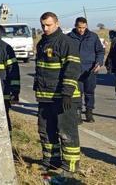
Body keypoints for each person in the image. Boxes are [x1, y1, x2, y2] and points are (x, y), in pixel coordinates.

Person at [34, 12, 82, 173]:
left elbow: (72, 68)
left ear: (57, 23)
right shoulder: (42, 43)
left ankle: (71, 166)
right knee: (46, 130)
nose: (45, 28)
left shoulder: (66, 42)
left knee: (66, 132)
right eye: (43, 25)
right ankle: (51, 161)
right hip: (46, 97)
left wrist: (67, 93)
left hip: (64, 98)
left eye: (48, 25)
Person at [67, 17, 105, 123]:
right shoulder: (69, 37)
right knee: (78, 93)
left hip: (90, 70)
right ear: (75, 26)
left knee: (89, 92)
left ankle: (89, 113)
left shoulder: (93, 36)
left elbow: (100, 51)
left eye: (84, 27)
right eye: (79, 27)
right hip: (75, 70)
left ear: (86, 26)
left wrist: (99, 63)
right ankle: (78, 113)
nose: (81, 30)